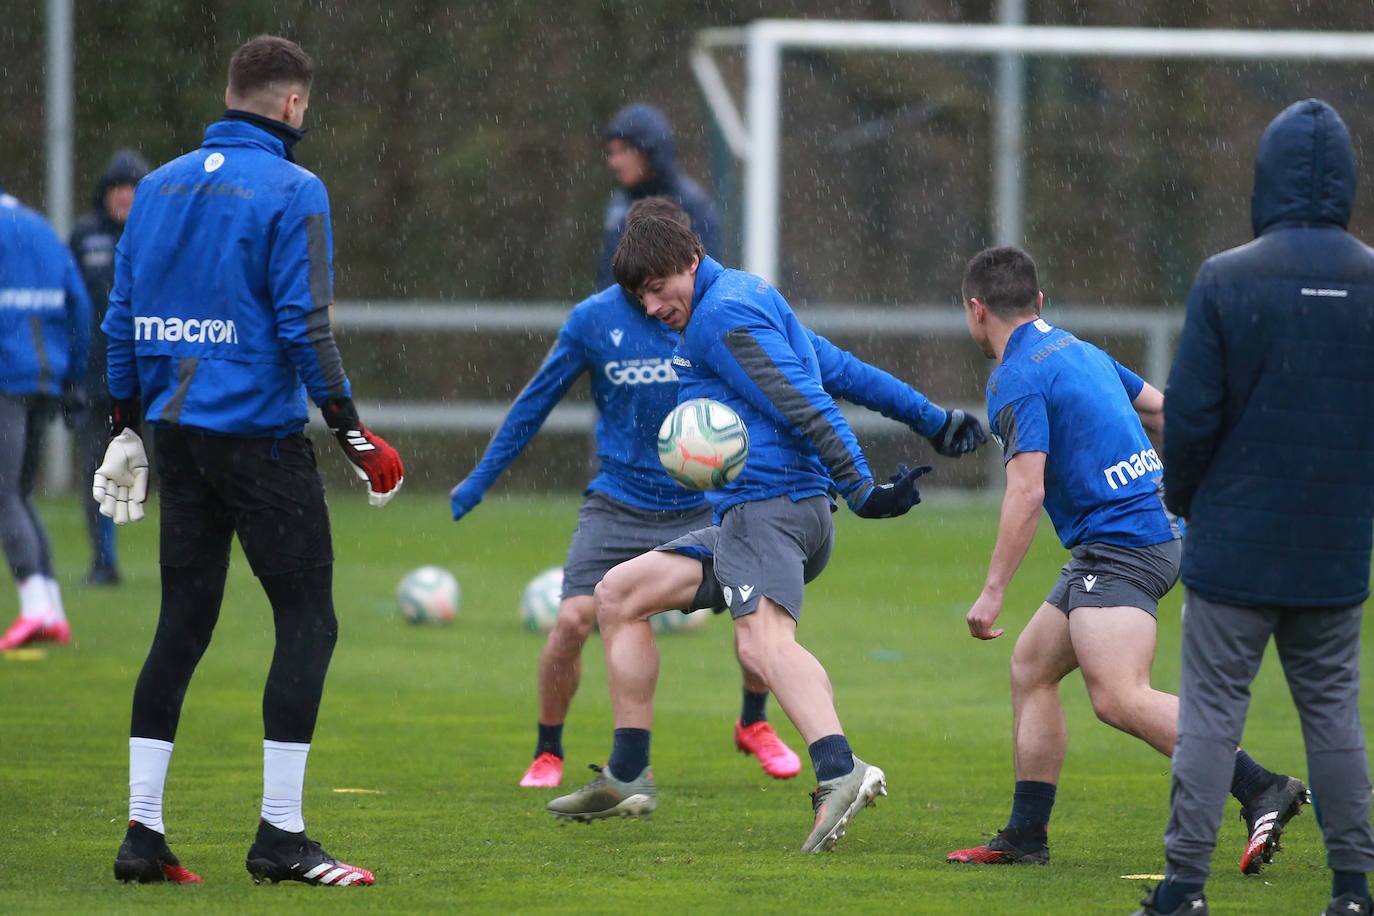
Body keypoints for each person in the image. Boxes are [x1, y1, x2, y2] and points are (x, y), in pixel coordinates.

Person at [453, 196, 983, 791]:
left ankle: (840, 769)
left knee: (764, 646)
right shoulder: (746, 296)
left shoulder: (720, 318)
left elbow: (807, 403)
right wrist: (932, 420)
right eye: (642, 298)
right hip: (750, 517)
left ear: (691, 258)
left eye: (659, 289)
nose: (653, 308)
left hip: (771, 509)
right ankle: (628, 774)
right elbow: (842, 368)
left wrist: (860, 487)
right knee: (618, 594)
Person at [99, 35, 403, 887]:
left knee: (182, 626)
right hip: (260, 443)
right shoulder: (296, 187)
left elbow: (121, 315)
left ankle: (142, 836)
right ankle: (280, 837)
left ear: (231, 93)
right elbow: (305, 323)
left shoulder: (154, 186)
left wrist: (123, 422)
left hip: (177, 439)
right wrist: (350, 429)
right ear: (294, 106)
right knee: (309, 623)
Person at [947, 245, 1302, 878]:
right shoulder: (1077, 348)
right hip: (1147, 529)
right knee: (1031, 667)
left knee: (1117, 696)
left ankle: (1260, 786)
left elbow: (1027, 489)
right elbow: (1165, 409)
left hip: (1123, 545)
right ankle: (1026, 834)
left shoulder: (1015, 376)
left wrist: (993, 590)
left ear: (976, 310)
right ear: (1040, 303)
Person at [1136, 98, 1374, 916]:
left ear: (1266, 177)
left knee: (1208, 717)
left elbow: (1191, 416)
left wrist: (1185, 498)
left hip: (1233, 545)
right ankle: (1351, 891)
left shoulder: (1226, 277)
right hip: (1334, 547)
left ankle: (1184, 890)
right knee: (1335, 719)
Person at [0, 186, 91, 651]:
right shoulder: (40, 229)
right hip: (46, 376)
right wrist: (75, 376)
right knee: (18, 491)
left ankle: (34, 608)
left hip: (5, 377)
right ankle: (52, 610)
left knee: (3, 493)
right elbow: (79, 302)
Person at [69, 147, 152, 587]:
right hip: (99, 382)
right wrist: (70, 380)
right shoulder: (84, 238)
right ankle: (104, 562)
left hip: (155, 382)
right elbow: (69, 310)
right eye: (118, 189)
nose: (125, 198)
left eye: (134, 189)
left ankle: (186, 563)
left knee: (177, 474)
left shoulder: (162, 233)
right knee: (98, 476)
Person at [596, 103, 722, 290]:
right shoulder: (619, 203)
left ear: (649, 151)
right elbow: (609, 281)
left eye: (623, 151)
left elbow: (704, 287)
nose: (614, 162)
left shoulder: (691, 206)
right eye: (612, 153)